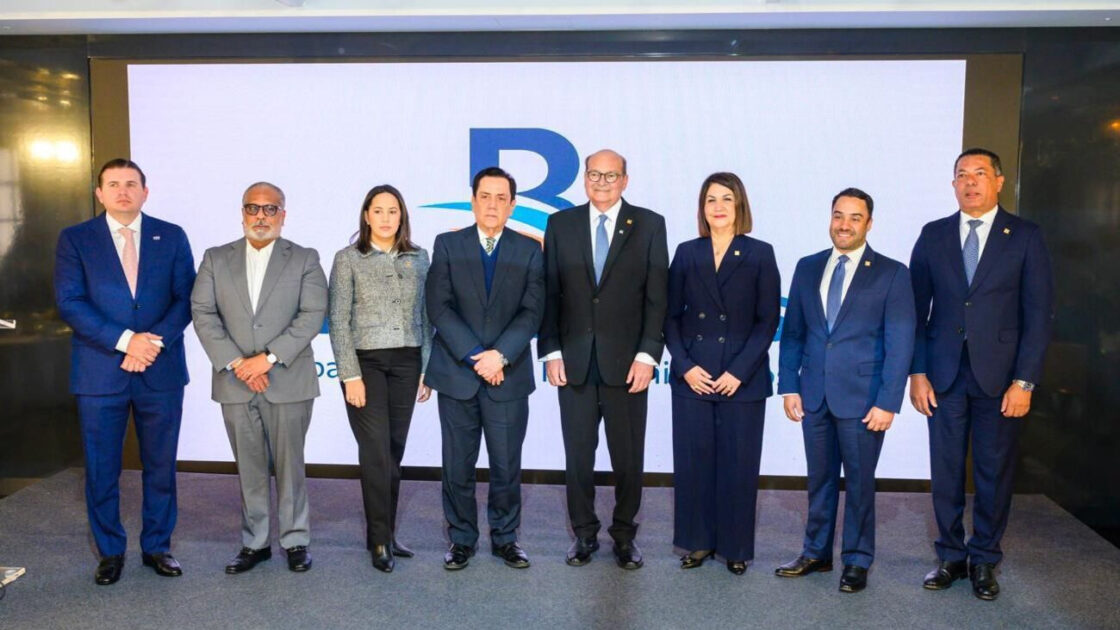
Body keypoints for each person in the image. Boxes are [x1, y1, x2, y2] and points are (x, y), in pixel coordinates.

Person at [910, 148, 1054, 601]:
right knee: (946, 472)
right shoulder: (933, 234)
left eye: (979, 174)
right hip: (943, 375)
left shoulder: (1025, 236)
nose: (970, 182)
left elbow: (1038, 315)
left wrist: (1024, 381)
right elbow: (915, 312)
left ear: (999, 181)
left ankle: (985, 559)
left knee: (993, 473)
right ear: (953, 184)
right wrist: (917, 372)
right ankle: (951, 556)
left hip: (1002, 379)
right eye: (961, 175)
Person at [55, 158, 195, 585]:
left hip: (160, 370)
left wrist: (150, 344)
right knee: (102, 469)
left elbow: (186, 299)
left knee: (160, 465)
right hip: (100, 372)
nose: (123, 191)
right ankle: (110, 552)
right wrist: (125, 341)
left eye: (131, 184)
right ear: (99, 193)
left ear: (145, 192)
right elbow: (70, 302)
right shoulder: (76, 239)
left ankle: (157, 546)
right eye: (113, 184)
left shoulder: (171, 235)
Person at [776, 187, 915, 593]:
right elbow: (793, 333)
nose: (845, 224)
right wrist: (789, 386)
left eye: (855, 217)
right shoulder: (807, 267)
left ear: (869, 224)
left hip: (864, 399)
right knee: (819, 479)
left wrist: (888, 402)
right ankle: (816, 553)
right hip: (814, 394)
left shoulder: (891, 273)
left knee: (859, 483)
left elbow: (900, 342)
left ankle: (856, 560)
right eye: (839, 215)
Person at [539, 149, 669, 569]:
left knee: (628, 459)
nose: (602, 182)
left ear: (625, 181)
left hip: (628, 365)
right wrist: (551, 351)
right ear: (584, 179)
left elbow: (657, 297)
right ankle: (583, 534)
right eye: (594, 174)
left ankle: (625, 536)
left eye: (611, 176)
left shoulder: (649, 224)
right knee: (578, 457)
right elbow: (550, 293)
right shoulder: (561, 224)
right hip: (574, 362)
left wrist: (648, 355)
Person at [191, 182, 327, 574]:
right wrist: (239, 363)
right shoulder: (216, 258)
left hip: (287, 380)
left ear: (283, 214)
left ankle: (295, 540)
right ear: (242, 213)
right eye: (253, 208)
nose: (261, 216)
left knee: (290, 466)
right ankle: (255, 543)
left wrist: (266, 360)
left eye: (270, 209)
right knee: (249, 468)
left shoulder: (304, 258)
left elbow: (312, 315)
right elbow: (203, 313)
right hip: (235, 381)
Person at [424, 167, 545, 570]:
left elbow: (532, 312)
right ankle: (461, 539)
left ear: (513, 205)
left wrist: (500, 356)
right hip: (457, 374)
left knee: (506, 465)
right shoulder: (448, 244)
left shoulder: (529, 249)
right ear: (473, 200)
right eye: (485, 196)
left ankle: (506, 538)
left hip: (508, 376)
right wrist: (478, 355)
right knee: (457, 465)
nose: (492, 205)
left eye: (501, 198)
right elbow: (439, 306)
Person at [663, 172, 780, 575]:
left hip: (742, 379)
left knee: (738, 466)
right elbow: (669, 317)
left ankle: (735, 547)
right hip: (693, 376)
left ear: (739, 205)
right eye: (711, 199)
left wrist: (738, 371)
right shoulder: (686, 252)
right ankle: (696, 542)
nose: (718, 206)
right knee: (694, 465)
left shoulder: (760, 253)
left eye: (727, 199)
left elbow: (767, 320)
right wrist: (685, 367)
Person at [328, 184, 432, 573]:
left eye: (393, 211)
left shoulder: (419, 257)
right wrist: (349, 375)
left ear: (402, 216)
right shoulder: (348, 259)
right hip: (365, 363)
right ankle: (378, 540)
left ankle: (387, 532)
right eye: (378, 211)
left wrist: (426, 369)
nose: (386, 218)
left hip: (408, 360)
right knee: (375, 452)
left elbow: (427, 317)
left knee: (393, 450)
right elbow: (338, 319)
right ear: (366, 215)